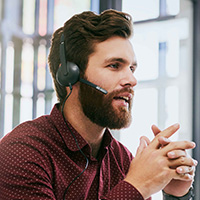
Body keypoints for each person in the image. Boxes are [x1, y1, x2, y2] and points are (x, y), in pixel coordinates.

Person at [0, 9, 197, 200]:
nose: (132, 79)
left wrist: (175, 195)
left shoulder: (122, 160)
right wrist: (137, 186)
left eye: (132, 68)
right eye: (114, 66)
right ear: (70, 75)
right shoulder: (21, 152)